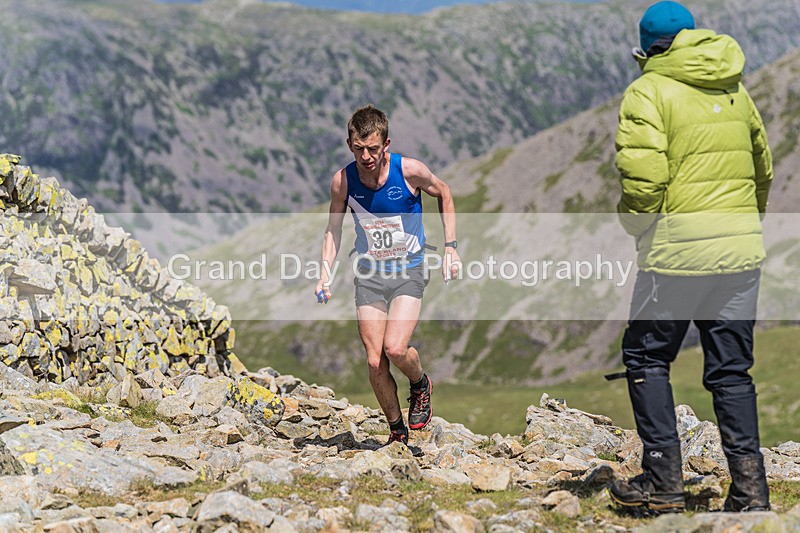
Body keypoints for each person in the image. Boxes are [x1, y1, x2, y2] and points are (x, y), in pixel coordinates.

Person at [608, 1, 773, 514]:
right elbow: (761, 169)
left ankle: (662, 483)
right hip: (740, 251)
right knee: (731, 371)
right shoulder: (735, 88)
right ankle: (750, 492)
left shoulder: (647, 91)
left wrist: (637, 228)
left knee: (647, 356)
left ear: (648, 48)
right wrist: (740, 225)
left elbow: (644, 182)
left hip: (676, 254)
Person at [315, 105, 460, 446]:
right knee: (374, 358)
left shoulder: (409, 171)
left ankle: (420, 382)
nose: (366, 156)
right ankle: (397, 430)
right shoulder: (343, 182)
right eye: (359, 148)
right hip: (369, 274)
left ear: (386, 145)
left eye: (373, 149)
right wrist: (324, 275)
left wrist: (451, 246)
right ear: (350, 145)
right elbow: (333, 230)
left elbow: (446, 193)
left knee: (395, 348)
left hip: (409, 270)